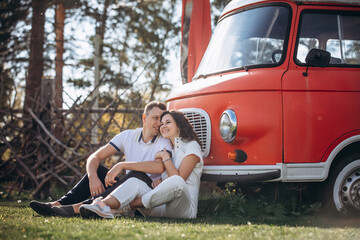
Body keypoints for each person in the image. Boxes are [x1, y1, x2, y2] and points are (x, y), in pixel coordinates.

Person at [30, 101, 172, 217]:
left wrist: (122, 165)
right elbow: (95, 156)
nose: (159, 123)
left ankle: (77, 208)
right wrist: (93, 177)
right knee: (99, 170)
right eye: (155, 118)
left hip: (144, 197)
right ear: (144, 118)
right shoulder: (128, 136)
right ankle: (56, 205)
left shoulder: (163, 140)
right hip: (124, 191)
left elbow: (159, 167)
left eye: (161, 119)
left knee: (136, 174)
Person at [79, 110, 203, 219]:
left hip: (184, 210)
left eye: (168, 122)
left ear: (179, 125)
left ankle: (125, 208)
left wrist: (166, 158)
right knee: (135, 181)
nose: (163, 126)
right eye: (162, 123)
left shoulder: (191, 146)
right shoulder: (172, 150)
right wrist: (160, 181)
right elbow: (170, 178)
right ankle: (102, 205)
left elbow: (179, 179)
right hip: (162, 205)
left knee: (177, 181)